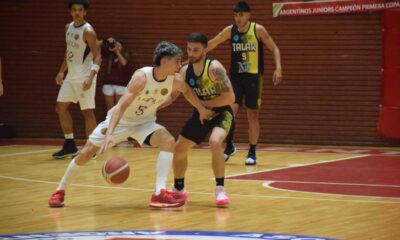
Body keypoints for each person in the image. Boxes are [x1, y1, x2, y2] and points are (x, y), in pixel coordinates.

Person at [48, 41, 213, 208]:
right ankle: (60, 191)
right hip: (122, 121)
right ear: (164, 61)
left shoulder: (175, 80)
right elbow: (120, 107)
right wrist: (110, 133)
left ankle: (159, 193)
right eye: (177, 61)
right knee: (87, 152)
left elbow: (187, 91)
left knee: (168, 141)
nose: (180, 64)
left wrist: (201, 109)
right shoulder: (141, 78)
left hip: (145, 123)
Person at [207, 0, 282, 165]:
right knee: (229, 113)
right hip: (235, 78)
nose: (238, 18)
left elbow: (274, 48)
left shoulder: (258, 30)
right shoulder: (230, 31)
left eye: (241, 15)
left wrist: (278, 68)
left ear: (248, 15)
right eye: (235, 15)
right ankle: (230, 146)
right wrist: (196, 55)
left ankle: (252, 152)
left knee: (252, 115)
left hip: (253, 77)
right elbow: (213, 42)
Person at [172, 32, 235, 207]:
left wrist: (204, 104)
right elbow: (177, 94)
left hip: (222, 114)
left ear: (205, 50)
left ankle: (220, 189)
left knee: (215, 142)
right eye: (189, 49)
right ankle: (179, 190)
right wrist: (156, 105)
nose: (191, 53)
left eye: (196, 50)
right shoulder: (185, 71)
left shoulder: (215, 69)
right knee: (178, 148)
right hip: (200, 114)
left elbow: (230, 97)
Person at [52, 0, 102, 159]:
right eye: (74, 10)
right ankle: (69, 144)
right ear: (70, 12)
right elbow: (69, 53)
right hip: (70, 77)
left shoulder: (88, 31)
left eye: (80, 10)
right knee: (60, 108)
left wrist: (91, 76)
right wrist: (61, 72)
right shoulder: (68, 27)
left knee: (87, 111)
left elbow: (98, 56)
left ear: (85, 12)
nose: (77, 13)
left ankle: (91, 148)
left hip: (85, 77)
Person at [101, 37, 130, 111]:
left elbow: (124, 63)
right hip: (108, 84)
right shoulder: (109, 54)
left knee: (119, 109)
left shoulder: (125, 54)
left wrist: (117, 52)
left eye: (119, 46)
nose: (117, 47)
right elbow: (99, 45)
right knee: (110, 110)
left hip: (121, 84)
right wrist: (108, 41)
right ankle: (110, 122)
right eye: (115, 45)